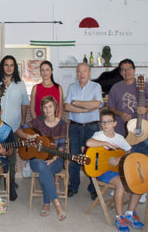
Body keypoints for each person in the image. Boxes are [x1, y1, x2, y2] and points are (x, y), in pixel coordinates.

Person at [86, 110, 143, 232]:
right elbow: (88, 143)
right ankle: (119, 217)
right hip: (103, 171)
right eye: (103, 122)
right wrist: (105, 143)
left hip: (118, 170)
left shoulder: (120, 138)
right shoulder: (98, 135)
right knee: (121, 184)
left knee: (139, 180)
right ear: (101, 124)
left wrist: (119, 158)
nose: (106, 124)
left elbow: (130, 151)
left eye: (109, 122)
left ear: (115, 123)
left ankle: (130, 212)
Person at [0, 55, 29, 201]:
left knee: (11, 155)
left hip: (13, 126)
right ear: (2, 66)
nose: (9, 67)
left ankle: (11, 182)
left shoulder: (20, 84)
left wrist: (22, 120)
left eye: (11, 65)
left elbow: (24, 103)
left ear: (14, 67)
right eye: (6, 65)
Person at [16, 95, 67, 221]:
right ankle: (57, 205)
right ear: (42, 109)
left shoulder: (62, 124)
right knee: (42, 166)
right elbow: (18, 131)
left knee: (46, 169)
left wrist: (53, 159)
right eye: (45, 107)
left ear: (55, 107)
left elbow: (61, 148)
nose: (48, 109)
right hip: (37, 159)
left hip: (56, 159)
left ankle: (47, 203)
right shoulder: (37, 121)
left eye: (50, 106)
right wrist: (28, 137)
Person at [64, 62, 103, 199]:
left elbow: (97, 104)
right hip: (74, 126)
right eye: (79, 71)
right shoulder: (72, 87)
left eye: (84, 71)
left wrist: (77, 103)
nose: (81, 74)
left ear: (89, 73)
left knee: (93, 157)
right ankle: (73, 186)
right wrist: (87, 107)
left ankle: (93, 188)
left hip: (92, 127)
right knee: (74, 156)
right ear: (76, 73)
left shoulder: (96, 86)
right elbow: (67, 106)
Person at [107, 58, 148, 137]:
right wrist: (120, 114)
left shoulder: (144, 85)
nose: (126, 71)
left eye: (129, 68)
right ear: (120, 72)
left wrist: (146, 109)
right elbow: (110, 108)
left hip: (140, 128)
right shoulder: (115, 87)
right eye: (123, 69)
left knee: (140, 149)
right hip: (121, 129)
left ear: (134, 70)